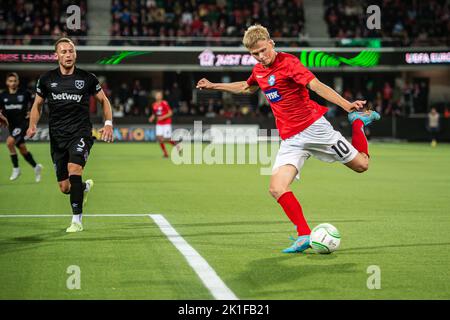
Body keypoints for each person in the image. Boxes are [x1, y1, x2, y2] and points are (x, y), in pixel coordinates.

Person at [196, 25, 380, 253]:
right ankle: (304, 234)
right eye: (255, 54)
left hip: (316, 129)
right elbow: (246, 86)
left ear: (271, 43)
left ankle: (358, 123)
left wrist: (346, 105)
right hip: (291, 139)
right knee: (276, 188)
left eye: (263, 50)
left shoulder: (289, 63)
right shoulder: (259, 71)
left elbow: (316, 85)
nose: (261, 56)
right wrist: (214, 85)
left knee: (362, 165)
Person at [26, 37, 114, 233]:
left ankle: (76, 220)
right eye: (64, 52)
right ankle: (81, 188)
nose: (68, 55)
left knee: (75, 168)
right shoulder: (47, 79)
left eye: (71, 51)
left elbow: (104, 101)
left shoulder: (87, 78)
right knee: (65, 187)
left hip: (80, 133)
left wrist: (108, 124)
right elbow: (37, 105)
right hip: (58, 138)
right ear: (56, 55)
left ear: (76, 54)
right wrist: (32, 125)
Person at [0, 73, 43, 181]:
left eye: (14, 81)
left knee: (9, 142)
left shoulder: (25, 93)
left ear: (18, 82)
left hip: (23, 124)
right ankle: (36, 167)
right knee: (23, 149)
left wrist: (31, 111)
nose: (12, 83)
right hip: (11, 125)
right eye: (10, 81)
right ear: (7, 82)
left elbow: (36, 101)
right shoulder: (3, 95)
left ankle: (16, 168)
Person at [148, 90, 181, 158]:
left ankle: (177, 146)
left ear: (161, 96)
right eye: (157, 95)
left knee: (166, 139)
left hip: (166, 123)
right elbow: (155, 113)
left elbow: (170, 113)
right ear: (155, 96)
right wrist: (152, 117)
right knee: (160, 139)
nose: (158, 96)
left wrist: (162, 117)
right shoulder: (154, 104)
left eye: (159, 95)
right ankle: (165, 153)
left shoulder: (164, 103)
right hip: (159, 123)